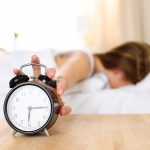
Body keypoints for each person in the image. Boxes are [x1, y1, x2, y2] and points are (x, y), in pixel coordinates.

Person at [13, 41, 150, 116]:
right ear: (122, 72)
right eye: (134, 82)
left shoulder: (93, 71)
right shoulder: (86, 59)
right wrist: (55, 83)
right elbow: (67, 73)